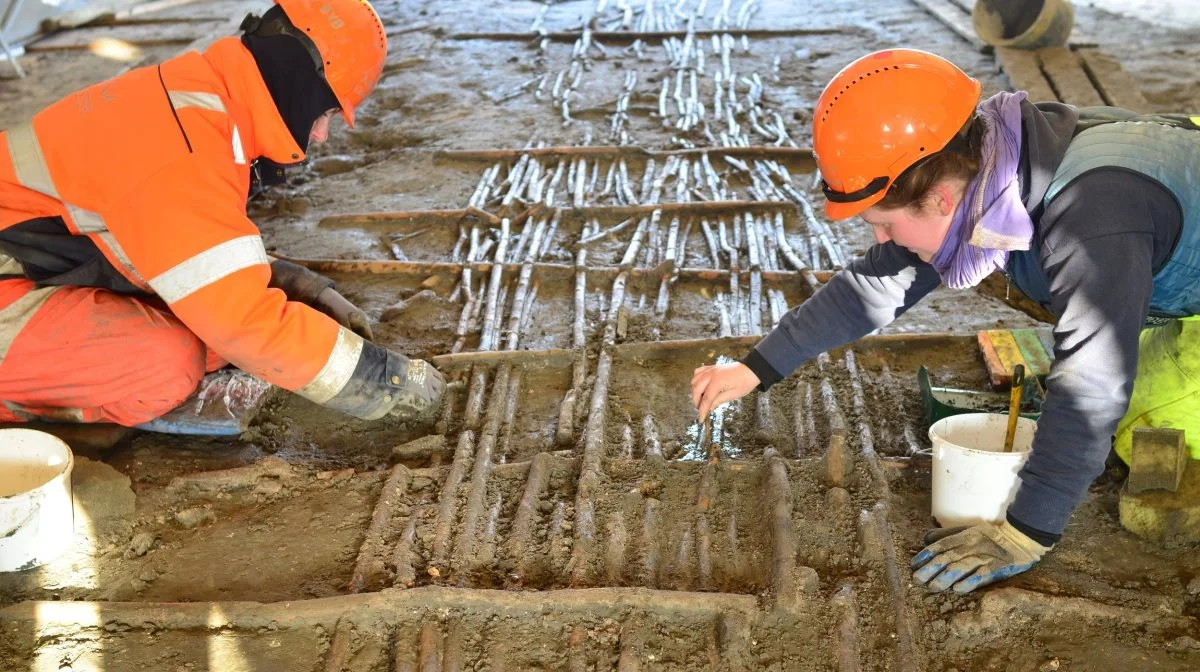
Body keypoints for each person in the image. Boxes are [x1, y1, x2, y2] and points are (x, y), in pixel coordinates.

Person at [690, 48, 1200, 594]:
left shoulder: (1091, 219)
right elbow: (876, 284)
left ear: (938, 198)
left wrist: (1028, 530)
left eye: (884, 225)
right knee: (1092, 415)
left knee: (1137, 423)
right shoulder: (990, 162)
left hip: (1155, 234)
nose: (880, 242)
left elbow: (1093, 385)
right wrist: (755, 369)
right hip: (1163, 233)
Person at [0, 0, 446, 427]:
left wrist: (288, 282)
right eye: (327, 112)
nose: (323, 134)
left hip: (26, 265)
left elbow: (163, 239)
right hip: (12, 281)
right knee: (164, 365)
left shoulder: (202, 103)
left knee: (209, 338)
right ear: (301, 83)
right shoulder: (186, 151)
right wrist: (380, 379)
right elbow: (248, 325)